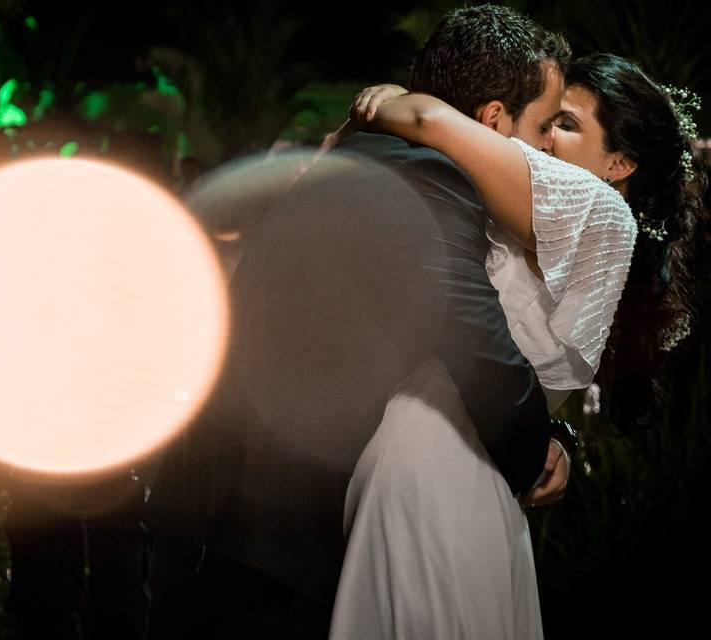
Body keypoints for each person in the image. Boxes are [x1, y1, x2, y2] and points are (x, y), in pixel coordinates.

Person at [145, 6, 575, 638]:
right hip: (269, 545)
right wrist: (540, 449)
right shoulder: (430, 178)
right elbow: (477, 344)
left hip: (226, 520)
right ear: (491, 119)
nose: (542, 150)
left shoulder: (373, 148)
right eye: (540, 127)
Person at [327, 49, 704, 639]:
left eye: (567, 123)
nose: (546, 136)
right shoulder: (554, 217)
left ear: (620, 163)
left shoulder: (598, 211)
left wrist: (388, 96)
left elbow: (427, 122)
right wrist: (559, 430)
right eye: (549, 116)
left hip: (435, 463)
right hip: (472, 474)